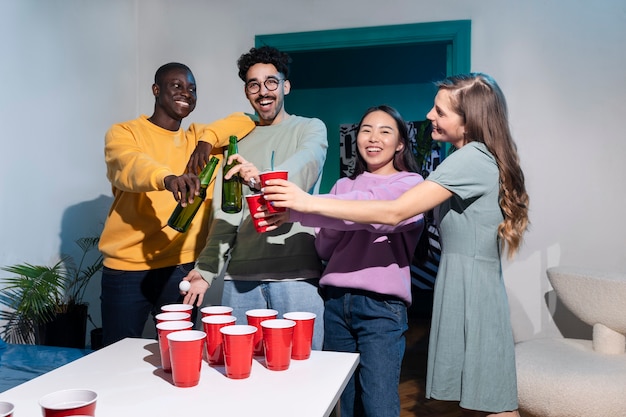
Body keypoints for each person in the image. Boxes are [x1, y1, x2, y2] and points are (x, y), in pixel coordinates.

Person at [261, 73, 529, 417]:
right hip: (465, 281)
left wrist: (306, 204)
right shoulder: (473, 157)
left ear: (468, 121)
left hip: (470, 286)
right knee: (484, 400)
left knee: (493, 403)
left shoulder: (471, 157)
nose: (430, 116)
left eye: (441, 111)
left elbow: (394, 212)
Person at [268, 105, 424, 416]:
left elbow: (380, 215)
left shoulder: (413, 186)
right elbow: (327, 248)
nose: (373, 138)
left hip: (382, 308)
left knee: (378, 403)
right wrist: (325, 220)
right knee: (345, 402)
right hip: (336, 304)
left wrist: (307, 207)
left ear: (401, 144)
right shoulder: (342, 187)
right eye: (366, 130)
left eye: (385, 131)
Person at [99, 62, 255, 347]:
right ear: (156, 91)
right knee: (116, 355)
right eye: (177, 86)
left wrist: (207, 140)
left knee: (179, 354)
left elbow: (246, 119)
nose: (186, 93)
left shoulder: (197, 138)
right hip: (127, 269)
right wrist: (167, 179)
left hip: (180, 269)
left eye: (192, 88)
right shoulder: (124, 133)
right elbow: (129, 165)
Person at [181, 46, 328, 349]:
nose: (263, 91)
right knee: (241, 375)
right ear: (247, 92)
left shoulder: (310, 128)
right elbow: (227, 214)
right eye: (254, 84)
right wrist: (206, 270)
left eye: (271, 82)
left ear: (285, 86)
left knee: (304, 376)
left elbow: (303, 169)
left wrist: (257, 178)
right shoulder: (238, 142)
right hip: (241, 280)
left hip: (296, 277)